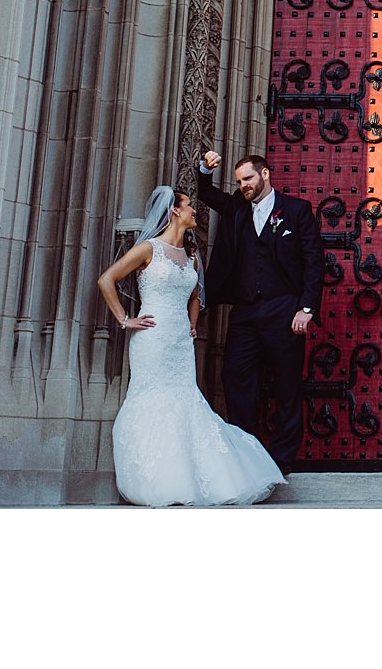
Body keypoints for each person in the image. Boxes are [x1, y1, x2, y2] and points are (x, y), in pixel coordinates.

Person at [97, 185, 284, 505]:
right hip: (152, 338)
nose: (195, 211)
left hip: (180, 342)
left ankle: (193, 476)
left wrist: (193, 324)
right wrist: (125, 320)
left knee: (186, 401)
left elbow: (196, 296)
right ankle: (158, 479)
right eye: (189, 207)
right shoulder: (148, 249)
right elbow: (106, 279)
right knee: (155, 399)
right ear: (174, 211)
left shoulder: (191, 256)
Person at [196, 150, 324, 463]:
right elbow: (206, 193)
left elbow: (313, 262)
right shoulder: (238, 207)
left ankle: (282, 458)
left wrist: (305, 309)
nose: (244, 186)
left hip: (284, 310)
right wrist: (204, 168)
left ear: (265, 174)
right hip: (245, 311)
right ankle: (246, 451)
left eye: (249, 179)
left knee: (287, 383)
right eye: (239, 181)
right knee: (235, 376)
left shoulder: (296, 210)